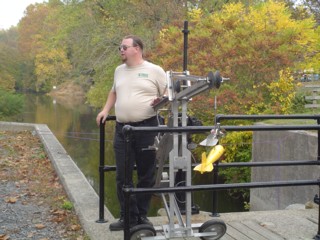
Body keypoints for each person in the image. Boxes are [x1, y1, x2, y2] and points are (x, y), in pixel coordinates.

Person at [96, 35, 167, 231]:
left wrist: (161, 102)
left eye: (124, 47)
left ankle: (141, 216)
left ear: (137, 48)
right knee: (122, 176)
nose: (121, 50)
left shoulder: (155, 70)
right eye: (120, 47)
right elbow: (114, 92)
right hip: (122, 130)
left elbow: (168, 95)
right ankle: (128, 216)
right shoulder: (119, 70)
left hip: (147, 128)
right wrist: (105, 110)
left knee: (146, 175)